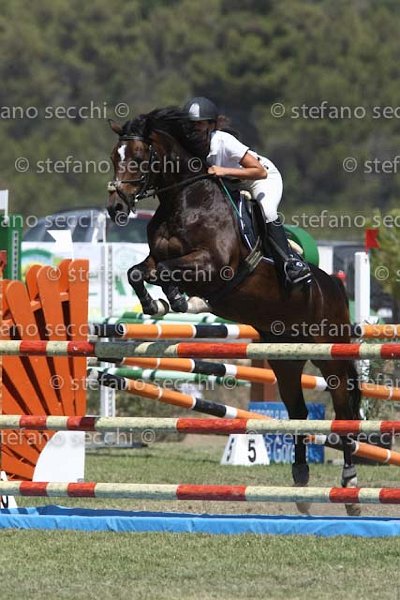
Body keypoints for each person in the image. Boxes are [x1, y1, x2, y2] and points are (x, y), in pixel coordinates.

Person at [183, 96, 312, 286]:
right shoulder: (189, 147)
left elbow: (259, 172)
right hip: (231, 185)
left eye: (199, 124)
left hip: (260, 179)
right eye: (191, 124)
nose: (194, 128)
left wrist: (224, 171)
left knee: (267, 211)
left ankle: (290, 263)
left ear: (211, 125)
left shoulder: (224, 141)